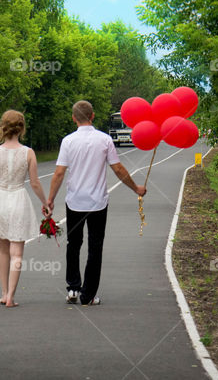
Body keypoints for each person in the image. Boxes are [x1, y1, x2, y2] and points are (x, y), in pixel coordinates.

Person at [45, 101, 146, 306]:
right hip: (98, 202)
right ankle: (88, 295)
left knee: (73, 244)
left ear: (74, 118)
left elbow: (59, 173)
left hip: (74, 201)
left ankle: (73, 287)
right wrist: (136, 188)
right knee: (95, 247)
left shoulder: (68, 141)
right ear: (92, 116)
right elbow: (117, 169)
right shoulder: (105, 140)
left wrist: (50, 200)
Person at [0, 110, 49, 308]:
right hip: (19, 200)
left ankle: (3, 293)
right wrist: (45, 202)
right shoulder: (28, 153)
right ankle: (10, 296)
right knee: (17, 253)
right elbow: (34, 183)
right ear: (21, 128)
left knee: (3, 252)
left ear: (3, 127)